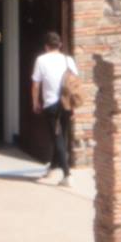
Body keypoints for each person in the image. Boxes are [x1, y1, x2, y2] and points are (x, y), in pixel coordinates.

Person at [30, 30, 76, 181]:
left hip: (51, 104)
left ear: (46, 46)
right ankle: (52, 167)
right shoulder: (68, 60)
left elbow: (36, 85)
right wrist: (73, 106)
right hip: (67, 103)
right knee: (62, 136)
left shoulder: (41, 60)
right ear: (60, 45)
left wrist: (35, 102)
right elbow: (74, 84)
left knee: (57, 138)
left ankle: (66, 174)